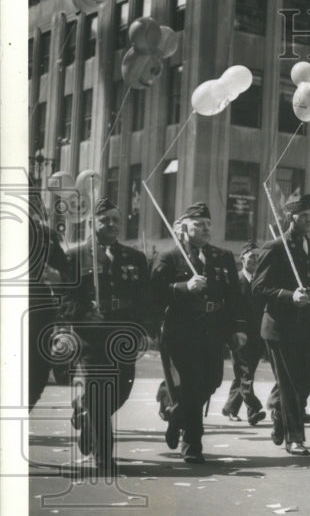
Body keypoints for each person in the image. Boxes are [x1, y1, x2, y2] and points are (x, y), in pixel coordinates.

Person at [56, 197, 151, 474]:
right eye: (104, 220)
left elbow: (144, 299)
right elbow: (63, 297)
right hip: (91, 336)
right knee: (99, 392)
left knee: (121, 391)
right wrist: (84, 312)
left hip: (124, 335)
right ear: (91, 223)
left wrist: (143, 329)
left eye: (115, 220)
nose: (111, 225)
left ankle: (85, 415)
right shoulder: (74, 256)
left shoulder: (134, 258)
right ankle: (104, 456)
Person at [150, 202, 246, 464]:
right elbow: (155, 293)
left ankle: (176, 413)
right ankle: (192, 444)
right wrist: (183, 286)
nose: (205, 229)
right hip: (181, 332)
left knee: (213, 380)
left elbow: (235, 297)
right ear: (184, 228)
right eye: (199, 225)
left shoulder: (223, 257)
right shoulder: (169, 257)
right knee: (191, 386)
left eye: (208, 225)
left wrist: (238, 328)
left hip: (213, 330)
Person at [253, 193, 310, 456]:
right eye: (303, 216)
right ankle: (295, 437)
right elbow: (260, 287)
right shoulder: (275, 248)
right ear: (289, 217)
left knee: (308, 378)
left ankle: (280, 414)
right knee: (288, 384)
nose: (309, 220)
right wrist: (290, 296)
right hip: (281, 327)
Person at [27, 185, 70, 411]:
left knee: (38, 372)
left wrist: (58, 277)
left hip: (39, 316)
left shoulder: (48, 236)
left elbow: (68, 277)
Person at [220, 240, 267, 426]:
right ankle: (254, 409)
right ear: (242, 258)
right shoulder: (236, 280)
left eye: (258, 256)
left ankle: (230, 408)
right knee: (245, 373)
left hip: (258, 335)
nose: (255, 260)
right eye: (252, 256)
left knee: (245, 374)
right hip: (239, 334)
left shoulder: (262, 281)